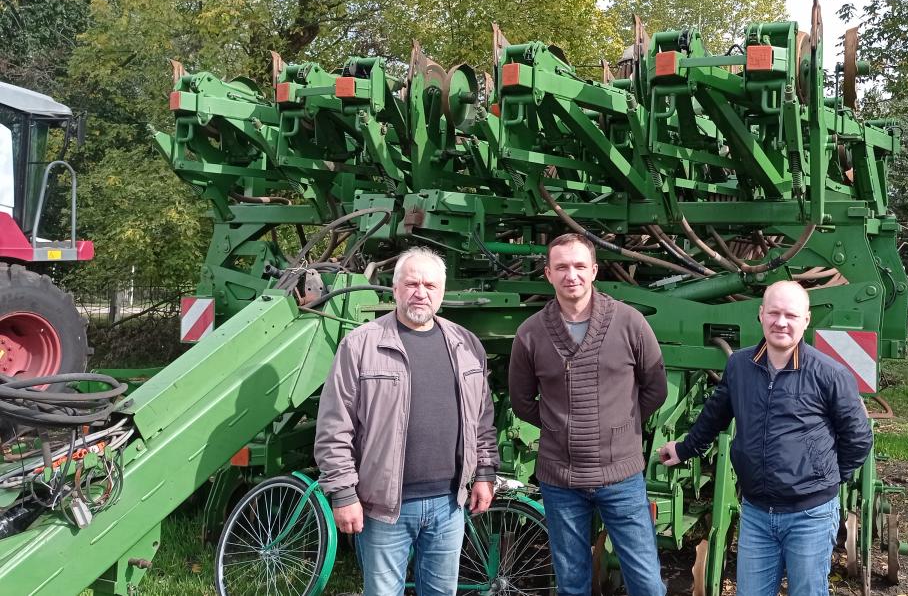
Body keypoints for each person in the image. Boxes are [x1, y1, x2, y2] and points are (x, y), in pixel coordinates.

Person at [658, 280, 872, 596]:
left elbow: (858, 437)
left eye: (790, 315)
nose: (781, 322)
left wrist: (827, 478)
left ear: (806, 320)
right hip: (757, 513)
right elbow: (716, 414)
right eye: (773, 313)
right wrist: (686, 448)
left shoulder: (830, 374)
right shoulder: (739, 365)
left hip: (809, 516)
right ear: (760, 314)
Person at [315, 247, 498, 596]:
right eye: (411, 283)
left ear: (442, 292)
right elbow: (334, 426)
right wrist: (342, 493)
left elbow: (482, 419)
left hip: (449, 504)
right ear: (395, 288)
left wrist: (485, 473)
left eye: (430, 285)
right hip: (385, 508)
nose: (421, 292)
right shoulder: (361, 345)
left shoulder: (465, 343)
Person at [508, 233, 669, 596]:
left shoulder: (629, 322)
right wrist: (559, 429)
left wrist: (620, 427)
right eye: (561, 267)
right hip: (560, 480)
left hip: (621, 476)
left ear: (594, 271)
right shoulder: (530, 334)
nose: (572, 275)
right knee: (572, 583)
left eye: (580, 266)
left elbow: (655, 388)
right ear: (548, 274)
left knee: (646, 582)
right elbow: (521, 401)